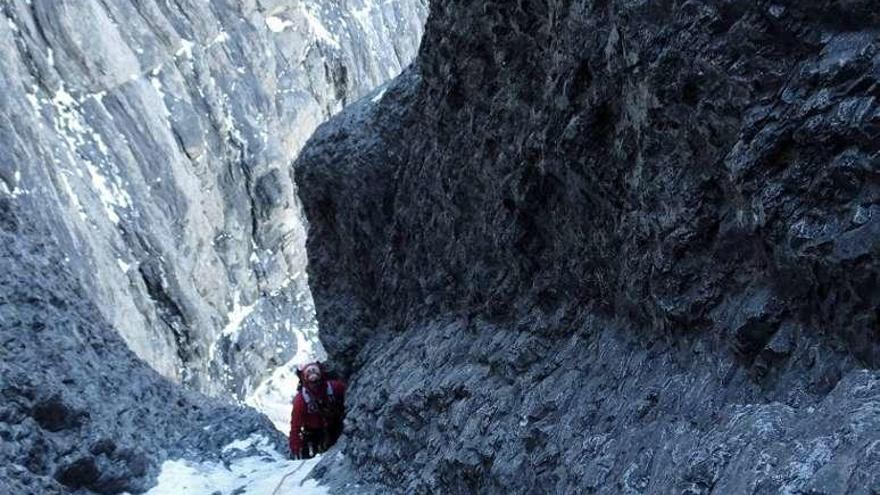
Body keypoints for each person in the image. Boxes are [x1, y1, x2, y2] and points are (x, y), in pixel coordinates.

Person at [289, 361, 346, 459]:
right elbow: (295, 427)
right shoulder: (301, 401)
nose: (315, 385)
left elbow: (295, 427)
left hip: (334, 426)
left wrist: (295, 447)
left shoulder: (335, 387)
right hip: (316, 433)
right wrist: (296, 446)